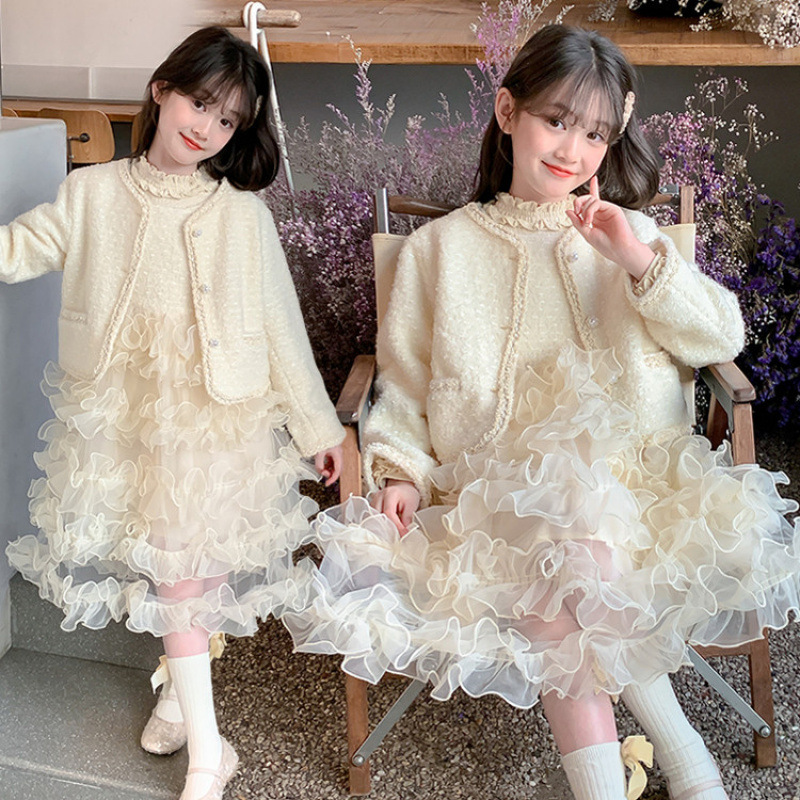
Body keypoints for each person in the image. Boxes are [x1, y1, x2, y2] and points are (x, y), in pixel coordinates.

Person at [282, 25, 800, 800]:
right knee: (557, 558)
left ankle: (651, 775)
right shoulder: (437, 253)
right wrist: (401, 472)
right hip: (490, 500)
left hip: (636, 491)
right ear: (507, 111)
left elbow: (722, 337)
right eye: (557, 121)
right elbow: (406, 389)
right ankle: (688, 762)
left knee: (567, 568)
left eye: (595, 134)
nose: (573, 150)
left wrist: (637, 261)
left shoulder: (628, 235)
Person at [2, 26, 344, 800]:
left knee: (188, 576)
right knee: (175, 571)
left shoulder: (243, 217)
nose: (207, 127)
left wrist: (319, 429)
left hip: (219, 420)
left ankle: (207, 753)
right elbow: (20, 248)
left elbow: (281, 332)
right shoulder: (91, 193)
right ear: (162, 89)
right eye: (199, 103)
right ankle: (182, 699)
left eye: (228, 120)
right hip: (131, 418)